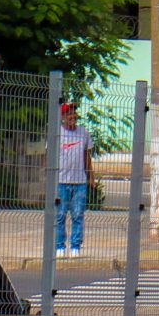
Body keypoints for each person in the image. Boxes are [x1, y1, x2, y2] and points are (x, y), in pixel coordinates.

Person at [54, 102, 95, 258]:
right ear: (63, 116)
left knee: (78, 214)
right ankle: (59, 246)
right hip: (61, 181)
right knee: (60, 215)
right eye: (69, 113)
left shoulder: (83, 132)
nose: (73, 116)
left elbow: (87, 156)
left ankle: (76, 246)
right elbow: (50, 156)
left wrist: (91, 176)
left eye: (74, 113)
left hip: (79, 182)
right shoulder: (57, 133)